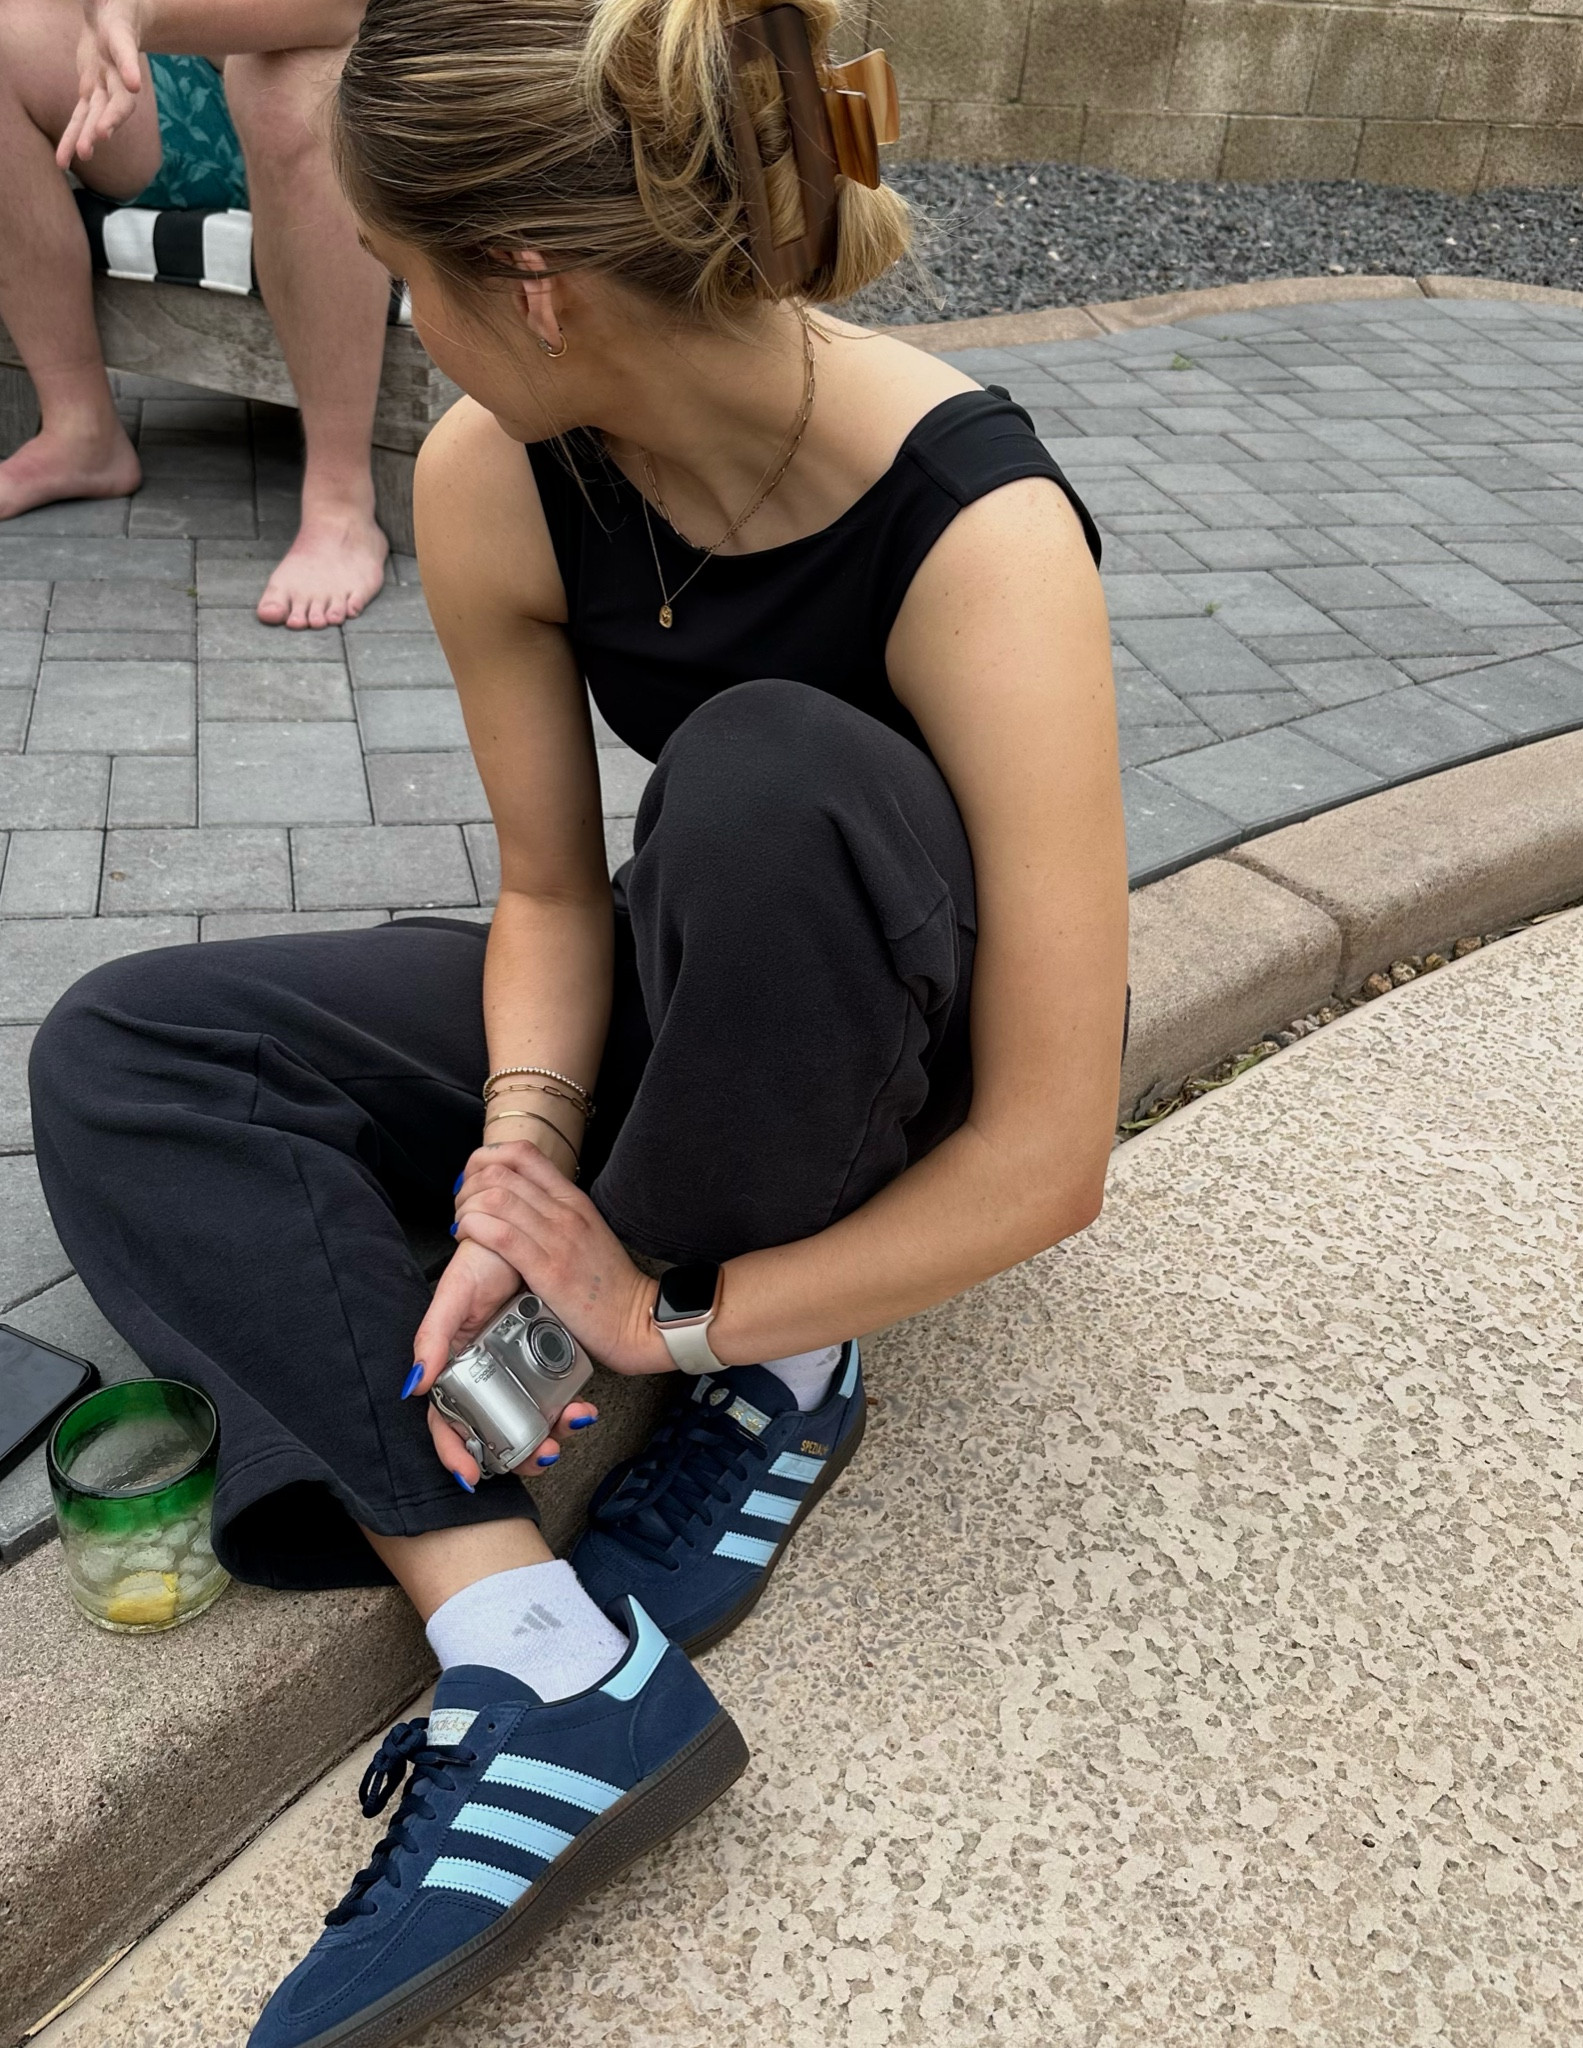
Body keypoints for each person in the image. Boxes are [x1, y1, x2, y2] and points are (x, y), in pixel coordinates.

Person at [28, 0, 1128, 2037]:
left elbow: (1052, 1144)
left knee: (768, 773)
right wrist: (515, 1154)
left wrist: (665, 1323)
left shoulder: (974, 524)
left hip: (905, 1039)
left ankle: (783, 1370)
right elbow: (550, 894)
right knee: (127, 1049)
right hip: (683, 955)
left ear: (522, 283)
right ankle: (533, 1653)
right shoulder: (493, 472)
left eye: (399, 277)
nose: (395, 328)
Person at [0, 0, 390, 628]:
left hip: (378, 82)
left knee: (281, 83)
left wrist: (134, 16)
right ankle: (79, 431)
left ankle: (341, 502)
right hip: (196, 61)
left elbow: (342, 11)